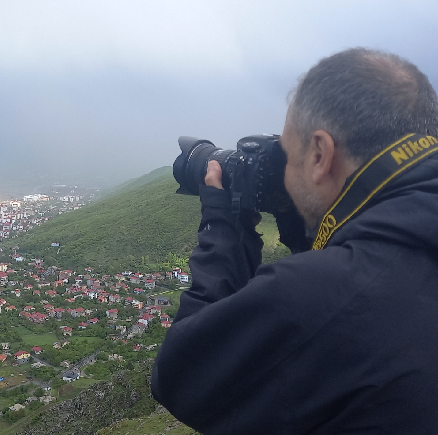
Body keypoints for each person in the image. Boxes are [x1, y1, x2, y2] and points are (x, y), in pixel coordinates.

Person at [151, 48, 438, 434]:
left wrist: (223, 225)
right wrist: (296, 218)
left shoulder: (321, 294)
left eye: (287, 156)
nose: (283, 175)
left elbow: (180, 377)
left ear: (320, 154)